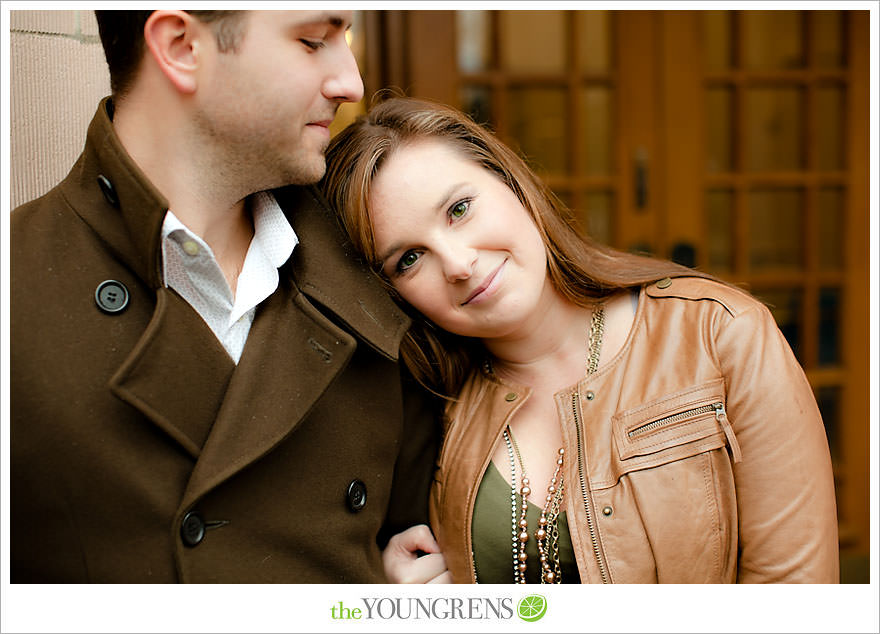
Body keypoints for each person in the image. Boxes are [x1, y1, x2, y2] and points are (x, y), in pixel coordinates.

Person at [322, 96, 840, 583]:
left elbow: (795, 597)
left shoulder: (719, 334)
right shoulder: (429, 405)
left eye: (459, 209)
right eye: (409, 259)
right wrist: (394, 595)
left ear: (512, 183)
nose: (458, 264)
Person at [10, 11, 440, 583]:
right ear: (183, 46)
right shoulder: (17, 287)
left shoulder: (384, 262)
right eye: (313, 41)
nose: (352, 84)